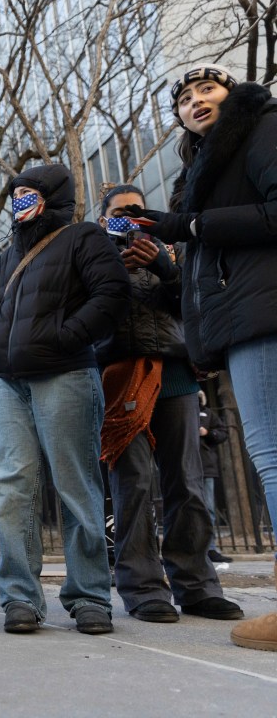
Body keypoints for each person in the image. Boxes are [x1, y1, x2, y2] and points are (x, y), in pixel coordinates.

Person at [123, 64, 277, 651]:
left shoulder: (261, 128)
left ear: (233, 94)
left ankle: (215, 585)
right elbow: (203, 269)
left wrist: (181, 229)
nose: (194, 102)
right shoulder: (204, 167)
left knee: (261, 459)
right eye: (184, 99)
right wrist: (157, 261)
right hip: (234, 326)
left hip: (254, 322)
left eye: (207, 90)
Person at [0, 163, 130, 635]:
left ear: (52, 197)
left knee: (76, 484)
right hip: (9, 381)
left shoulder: (83, 237)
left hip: (65, 375)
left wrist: (65, 338)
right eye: (15, 196)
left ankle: (89, 598)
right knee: (11, 485)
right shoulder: (7, 256)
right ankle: (19, 597)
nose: (20, 203)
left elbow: (112, 293)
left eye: (29, 195)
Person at [95, 184, 241, 623]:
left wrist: (164, 266)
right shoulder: (92, 255)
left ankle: (195, 586)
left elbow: (198, 305)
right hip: (122, 375)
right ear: (103, 220)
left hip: (174, 372)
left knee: (187, 482)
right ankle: (142, 588)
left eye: (137, 211)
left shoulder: (174, 251)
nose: (129, 218)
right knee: (134, 483)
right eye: (119, 212)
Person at [197, 390, 232, 563]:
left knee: (208, 509)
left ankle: (210, 548)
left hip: (206, 467)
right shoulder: (178, 410)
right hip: (184, 465)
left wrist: (207, 433)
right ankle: (193, 549)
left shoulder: (208, 413)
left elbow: (223, 432)